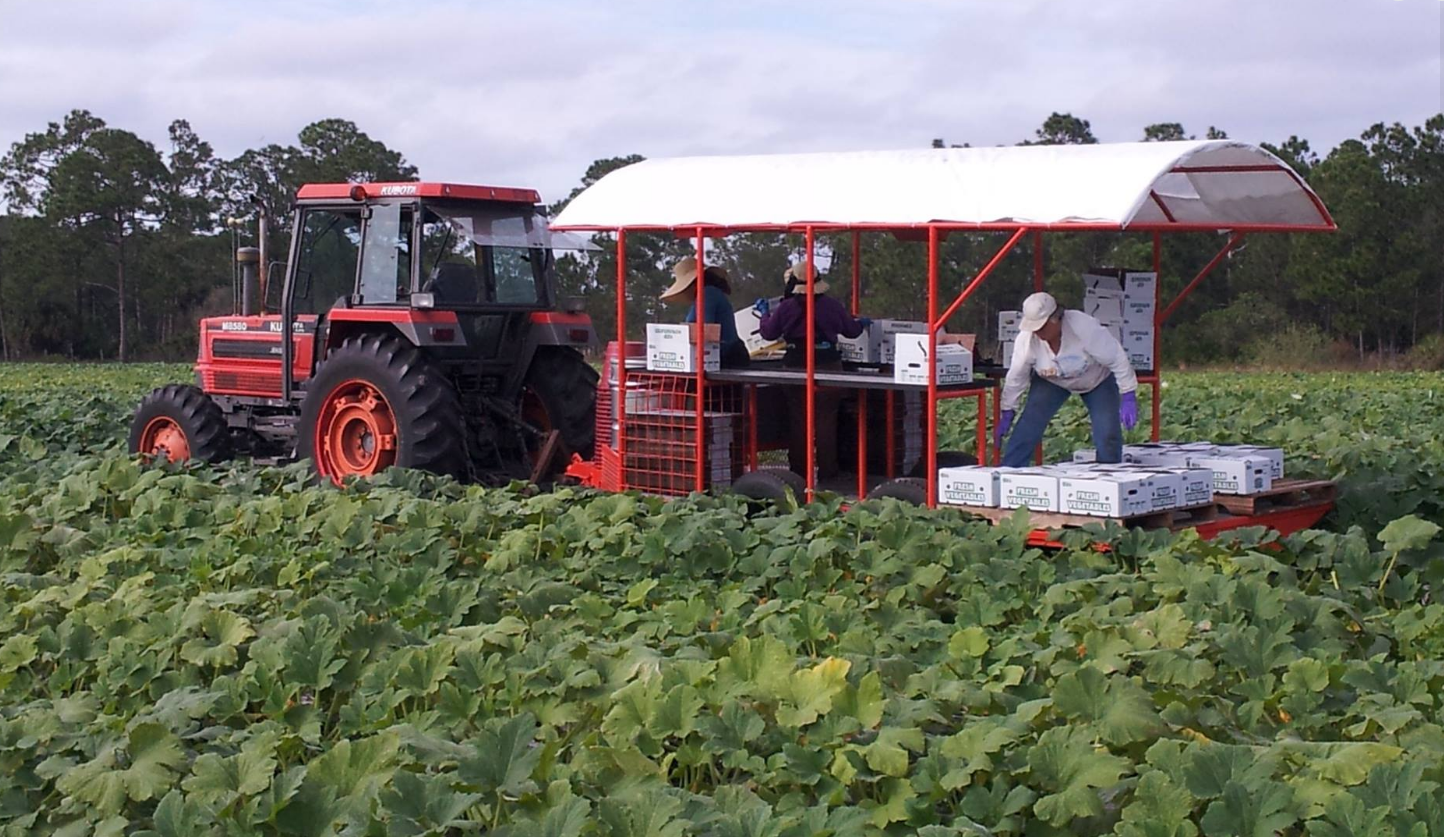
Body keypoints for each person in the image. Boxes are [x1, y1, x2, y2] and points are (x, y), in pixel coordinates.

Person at [996, 291, 1139, 466]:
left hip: (1096, 380)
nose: (1037, 332)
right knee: (1028, 427)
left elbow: (1116, 357)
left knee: (1108, 434)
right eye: (1034, 328)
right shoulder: (1026, 340)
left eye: (1042, 327)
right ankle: (1009, 474)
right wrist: (1008, 410)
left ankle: (1110, 479)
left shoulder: (1083, 327)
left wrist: (1128, 393)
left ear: (1056, 318)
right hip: (1052, 380)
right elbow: (1016, 376)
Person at [756, 263, 871, 479]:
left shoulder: (786, 307)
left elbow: (769, 333)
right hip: (829, 367)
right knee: (827, 420)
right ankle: (828, 472)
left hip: (795, 367)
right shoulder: (832, 306)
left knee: (798, 419)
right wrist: (862, 323)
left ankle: (798, 473)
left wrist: (764, 314)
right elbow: (852, 331)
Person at [660, 257, 749, 367]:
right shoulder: (709, 293)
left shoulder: (707, 293)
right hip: (723, 355)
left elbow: (703, 330)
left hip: (727, 357)